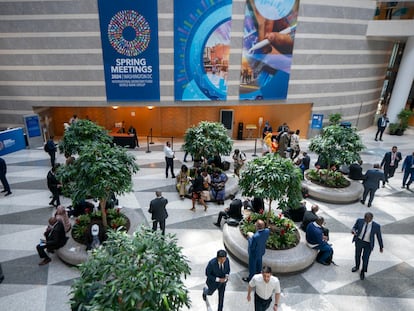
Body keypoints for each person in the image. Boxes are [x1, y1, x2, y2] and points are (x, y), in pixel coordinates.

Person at [351, 212, 384, 280]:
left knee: (365, 258)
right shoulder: (359, 221)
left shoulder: (376, 226)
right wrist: (353, 230)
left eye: (367, 219)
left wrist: (381, 246)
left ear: (371, 218)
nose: (366, 220)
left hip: (368, 244)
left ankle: (363, 271)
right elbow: (354, 227)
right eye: (365, 218)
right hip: (359, 241)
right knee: (357, 255)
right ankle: (357, 267)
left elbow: (379, 237)